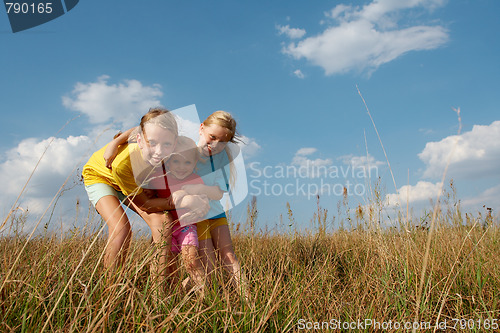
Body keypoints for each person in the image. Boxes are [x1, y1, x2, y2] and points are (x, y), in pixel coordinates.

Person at [103, 110, 248, 297]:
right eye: (212, 137)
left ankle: (246, 299)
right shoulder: (182, 149)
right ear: (201, 128)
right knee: (204, 265)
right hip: (193, 219)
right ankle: (178, 294)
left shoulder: (220, 159)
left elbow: (218, 192)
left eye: (222, 142)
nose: (215, 145)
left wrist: (190, 191)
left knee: (227, 255)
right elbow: (150, 131)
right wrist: (115, 142)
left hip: (212, 215)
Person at [82, 108, 209, 290]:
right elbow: (146, 205)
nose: (159, 151)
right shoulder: (124, 162)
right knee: (121, 227)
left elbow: (139, 129)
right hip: (102, 176)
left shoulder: (164, 150)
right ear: (140, 140)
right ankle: (109, 289)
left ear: (174, 143)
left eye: (166, 144)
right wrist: (180, 202)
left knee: (164, 222)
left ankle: (159, 291)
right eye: (153, 143)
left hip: (131, 184)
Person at [145, 136, 221, 295]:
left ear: (194, 164)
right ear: (168, 161)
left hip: (186, 226)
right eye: (176, 161)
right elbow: (148, 197)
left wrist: (185, 192)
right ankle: (175, 297)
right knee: (170, 267)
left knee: (191, 260)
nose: (181, 167)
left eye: (187, 162)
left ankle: (207, 298)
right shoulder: (160, 178)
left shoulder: (195, 179)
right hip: (165, 229)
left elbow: (202, 202)